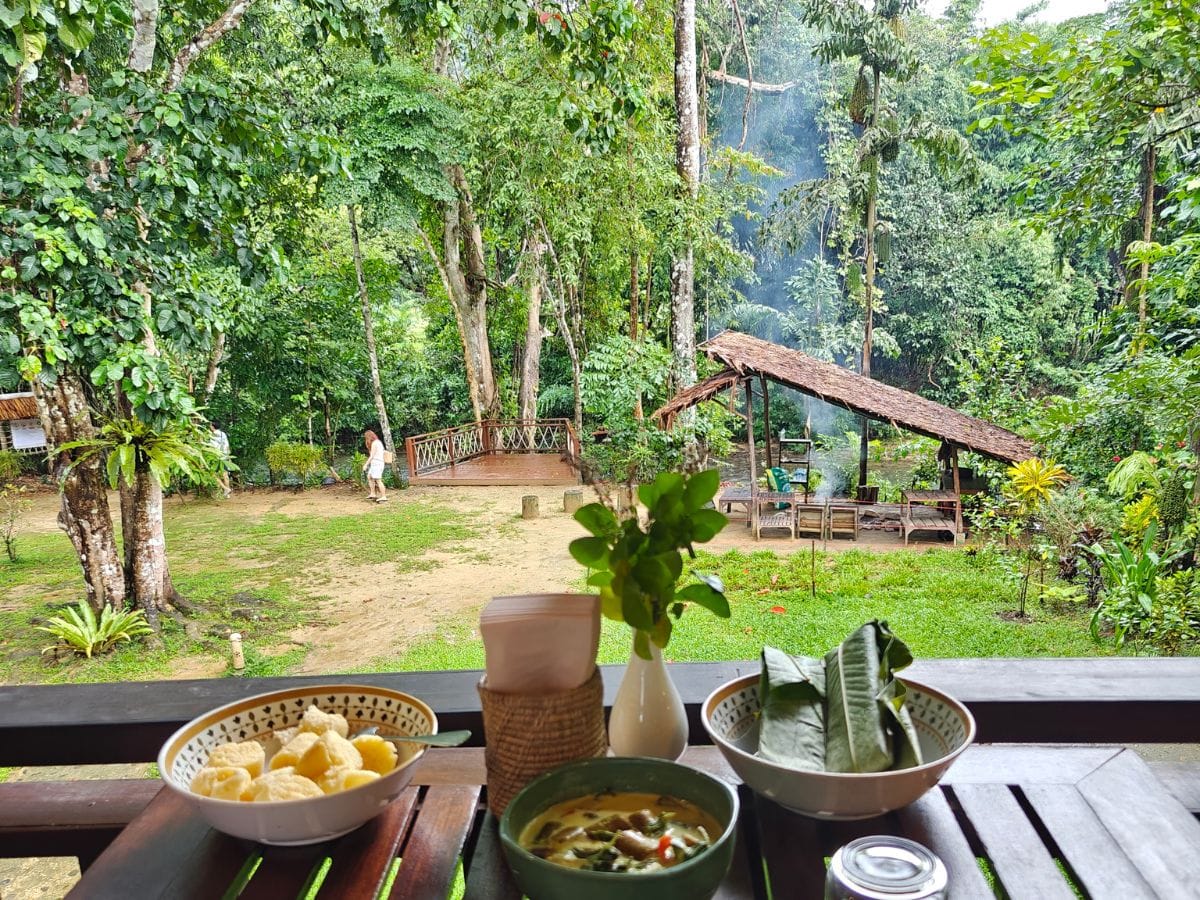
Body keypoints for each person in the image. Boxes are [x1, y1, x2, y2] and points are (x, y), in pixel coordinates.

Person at [362, 430, 388, 503]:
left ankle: (384, 496)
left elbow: (372, 456)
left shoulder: (374, 443)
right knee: (369, 477)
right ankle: (373, 493)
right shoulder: (378, 442)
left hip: (377, 463)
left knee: (378, 480)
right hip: (376, 463)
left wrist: (366, 465)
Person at [209, 422, 232, 499]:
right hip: (224, 457)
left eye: (210, 425)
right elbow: (227, 445)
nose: (210, 426)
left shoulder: (211, 435)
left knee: (212, 474)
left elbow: (211, 447)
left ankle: (225, 489)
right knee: (225, 475)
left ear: (213, 427)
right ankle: (227, 494)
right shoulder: (223, 434)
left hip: (216, 457)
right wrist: (228, 456)